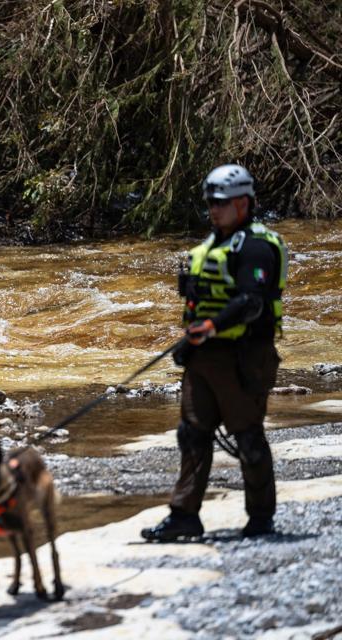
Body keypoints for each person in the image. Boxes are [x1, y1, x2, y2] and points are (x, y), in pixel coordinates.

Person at [141, 164, 288, 542]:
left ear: (243, 203)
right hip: (202, 358)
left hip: (243, 358)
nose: (213, 210)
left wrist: (209, 328)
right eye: (210, 203)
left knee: (248, 439)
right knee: (191, 434)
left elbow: (251, 302)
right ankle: (184, 514)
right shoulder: (207, 248)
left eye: (221, 203)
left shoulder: (257, 247)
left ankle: (260, 519)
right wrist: (191, 343)